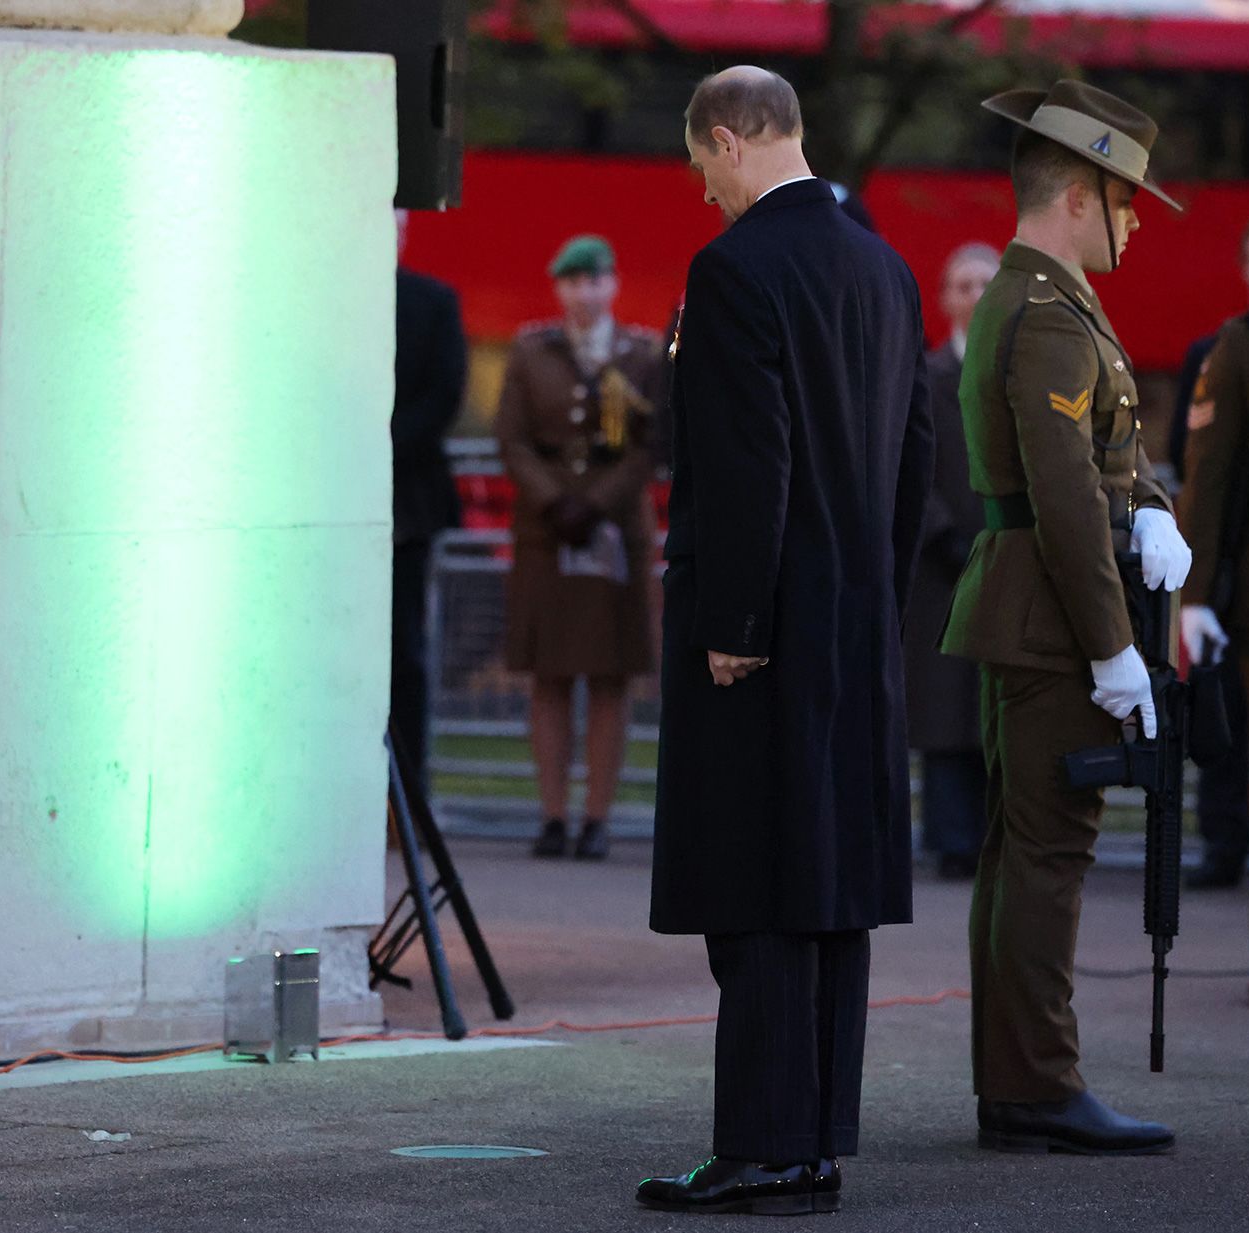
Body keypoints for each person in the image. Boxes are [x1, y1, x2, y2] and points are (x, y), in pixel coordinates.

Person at [639, 66, 933, 1216]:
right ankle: (812, 1143)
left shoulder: (733, 269)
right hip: (855, 629)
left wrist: (735, 627)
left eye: (699, 163)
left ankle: (761, 1146)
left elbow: (743, 466)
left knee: (753, 886)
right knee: (828, 891)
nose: (701, 189)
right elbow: (914, 459)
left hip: (761, 633)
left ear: (726, 137)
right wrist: (876, 603)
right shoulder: (884, 266)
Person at [939, 80, 1189, 1155]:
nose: (1133, 221)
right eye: (1126, 200)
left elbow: (1102, 474)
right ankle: (1036, 1084)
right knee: (1047, 855)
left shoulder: (1044, 301)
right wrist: (1113, 648)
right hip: (1050, 626)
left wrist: (1153, 513)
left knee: (1021, 854)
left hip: (1031, 616)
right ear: (1081, 195)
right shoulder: (1042, 310)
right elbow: (1062, 500)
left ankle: (1019, 1083)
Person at [494, 234, 659, 862]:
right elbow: (512, 439)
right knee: (550, 677)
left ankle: (597, 819)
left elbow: (650, 443)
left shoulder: (640, 354)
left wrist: (595, 504)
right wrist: (554, 502)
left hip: (616, 531)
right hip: (547, 532)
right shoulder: (531, 350)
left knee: (611, 677)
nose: (583, 293)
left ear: (613, 285)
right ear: (557, 288)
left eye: (594, 280)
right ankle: (553, 815)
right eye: (571, 281)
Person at [1164, 212, 1249, 887]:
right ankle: (1223, 846)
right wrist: (1198, 591)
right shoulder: (1222, 350)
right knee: (1237, 724)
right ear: (1244, 268)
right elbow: (1199, 473)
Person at [906, 243, 999, 881]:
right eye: (962, 285)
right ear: (944, 299)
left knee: (999, 708)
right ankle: (952, 840)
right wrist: (946, 536)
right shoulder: (923, 375)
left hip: (1010, 564)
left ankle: (1001, 838)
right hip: (941, 569)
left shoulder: (1022, 375)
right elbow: (909, 467)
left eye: (985, 284)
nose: (974, 296)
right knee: (945, 712)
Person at [391, 209, 468, 795]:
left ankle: (407, 795)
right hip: (343, 499)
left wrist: (377, 447)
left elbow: (445, 395)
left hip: (407, 506)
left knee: (405, 653)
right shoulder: (325, 309)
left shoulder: (433, 302)